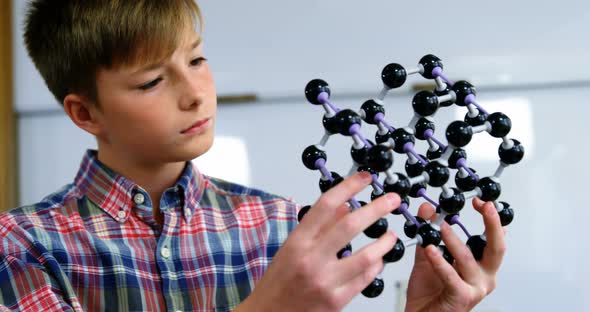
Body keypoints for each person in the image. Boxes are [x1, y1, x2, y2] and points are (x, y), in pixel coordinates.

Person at [0, 1, 505, 311]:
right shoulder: (20, 246)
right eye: (153, 80)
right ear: (85, 113)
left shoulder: (281, 224)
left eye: (197, 59)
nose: (196, 92)